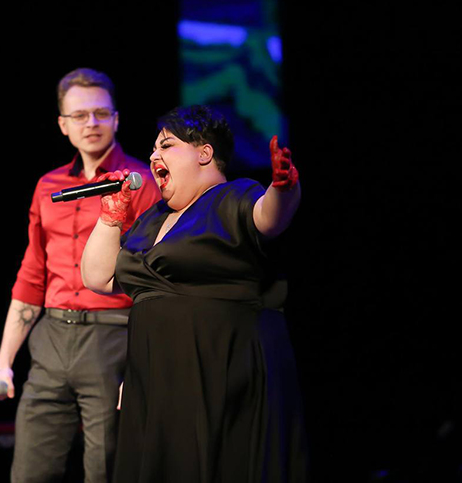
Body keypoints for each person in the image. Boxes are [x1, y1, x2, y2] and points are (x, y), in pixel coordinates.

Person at [81, 105, 304, 482]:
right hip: (154, 377)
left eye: (166, 146)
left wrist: (284, 187)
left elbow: (269, 217)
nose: (153, 155)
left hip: (215, 368)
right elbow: (98, 278)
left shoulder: (233, 196)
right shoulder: (151, 219)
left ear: (204, 153)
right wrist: (111, 217)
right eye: (153, 148)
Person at [0, 68, 161, 482]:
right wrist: (3, 363)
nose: (91, 123)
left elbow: (155, 281)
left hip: (113, 338)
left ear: (116, 119)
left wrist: (140, 365)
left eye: (101, 113)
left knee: (105, 469)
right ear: (63, 124)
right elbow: (32, 274)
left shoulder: (141, 183)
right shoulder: (48, 186)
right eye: (80, 115)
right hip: (51, 339)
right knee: (29, 471)